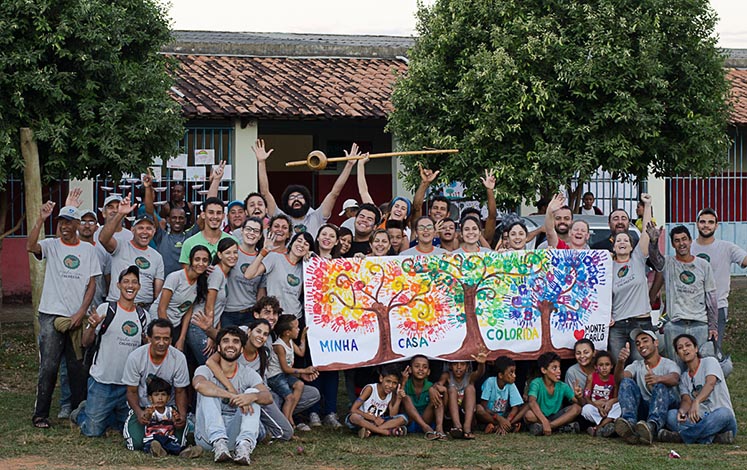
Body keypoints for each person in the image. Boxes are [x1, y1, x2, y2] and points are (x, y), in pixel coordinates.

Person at [27, 203, 101, 429]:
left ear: (78, 225)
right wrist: (41, 219)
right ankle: (40, 414)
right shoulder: (51, 245)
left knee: (77, 367)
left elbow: (91, 284)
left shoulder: (88, 250)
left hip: (76, 318)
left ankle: (78, 413)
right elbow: (30, 246)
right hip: (51, 314)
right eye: (61, 222)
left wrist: (81, 312)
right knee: (48, 366)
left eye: (70, 222)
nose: (65, 226)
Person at [73, 266, 147, 437]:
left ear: (139, 287)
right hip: (102, 382)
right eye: (126, 281)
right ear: (118, 285)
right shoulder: (106, 310)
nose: (130, 285)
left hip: (128, 386)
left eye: (134, 282)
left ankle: (107, 414)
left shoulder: (144, 316)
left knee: (125, 429)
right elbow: (85, 342)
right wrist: (92, 326)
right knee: (92, 432)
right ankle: (82, 411)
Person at [192, 327, 272, 465]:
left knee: (252, 393)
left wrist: (251, 397)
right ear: (218, 347)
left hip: (234, 436)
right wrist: (232, 395)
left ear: (241, 349)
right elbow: (199, 385)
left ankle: (244, 447)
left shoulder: (248, 373)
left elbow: (268, 397)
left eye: (235, 342)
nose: (230, 345)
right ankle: (219, 444)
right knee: (208, 390)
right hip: (208, 437)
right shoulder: (204, 370)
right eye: (225, 341)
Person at [255, 139, 357, 238]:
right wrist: (261, 162)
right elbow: (265, 193)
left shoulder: (317, 217)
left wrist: (349, 165)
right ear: (286, 202)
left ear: (307, 200)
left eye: (300, 197)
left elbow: (334, 193)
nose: (296, 199)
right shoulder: (280, 218)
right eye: (292, 198)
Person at [609, 195, 663, 362]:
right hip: (617, 326)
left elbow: (647, 231)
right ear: (613, 245)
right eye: (619, 241)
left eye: (626, 240)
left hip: (641, 322)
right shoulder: (607, 266)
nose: (622, 242)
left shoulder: (638, 258)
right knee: (619, 366)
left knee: (640, 365)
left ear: (632, 246)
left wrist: (647, 205)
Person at [122, 319, 190, 451]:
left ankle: (164, 444)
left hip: (169, 408)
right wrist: (139, 412)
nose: (161, 343)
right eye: (157, 338)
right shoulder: (136, 357)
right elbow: (131, 391)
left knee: (180, 443)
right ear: (149, 338)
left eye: (166, 339)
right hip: (144, 407)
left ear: (171, 339)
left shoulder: (179, 358)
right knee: (136, 444)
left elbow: (180, 391)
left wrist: (181, 415)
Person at [659, 334, 737, 445]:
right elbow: (686, 400)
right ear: (678, 354)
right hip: (699, 420)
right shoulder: (684, 377)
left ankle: (683, 437)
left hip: (720, 421)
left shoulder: (709, 361)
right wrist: (682, 411)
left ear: (695, 349)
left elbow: (710, 383)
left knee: (724, 414)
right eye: (680, 348)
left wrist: (697, 401)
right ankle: (713, 438)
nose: (685, 349)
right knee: (671, 415)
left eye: (688, 345)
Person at [661, 226, 718, 363]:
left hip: (699, 324)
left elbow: (711, 298)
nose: (681, 244)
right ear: (673, 244)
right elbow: (655, 259)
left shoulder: (703, 265)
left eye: (684, 239)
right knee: (676, 366)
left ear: (691, 240)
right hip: (675, 324)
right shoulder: (668, 263)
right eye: (677, 240)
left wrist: (713, 326)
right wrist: (653, 241)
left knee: (700, 366)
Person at [691, 208, 747, 347]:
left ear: (716, 225)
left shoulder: (727, 247)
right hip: (690, 307)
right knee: (690, 350)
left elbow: (745, 260)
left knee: (712, 351)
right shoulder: (688, 247)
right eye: (702, 221)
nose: (706, 225)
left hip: (717, 308)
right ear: (697, 224)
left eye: (711, 222)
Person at [614, 329, 680, 445]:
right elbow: (620, 380)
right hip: (644, 408)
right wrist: (620, 362)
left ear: (656, 343)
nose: (641, 345)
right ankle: (629, 424)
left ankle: (652, 426)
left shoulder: (668, 363)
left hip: (665, 408)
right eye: (638, 343)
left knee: (660, 386)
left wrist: (658, 378)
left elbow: (675, 378)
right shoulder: (636, 365)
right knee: (626, 382)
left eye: (645, 341)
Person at [99, 195, 164, 309]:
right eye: (140, 228)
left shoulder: (157, 257)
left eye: (149, 228)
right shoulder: (121, 246)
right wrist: (120, 214)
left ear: (153, 232)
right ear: (132, 230)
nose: (145, 232)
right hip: (116, 306)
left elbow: (157, 293)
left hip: (144, 309)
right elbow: (103, 239)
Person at [187, 238, 238, 365]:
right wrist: (210, 333)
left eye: (235, 252)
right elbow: (209, 306)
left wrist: (216, 333)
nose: (232, 256)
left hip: (209, 327)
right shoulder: (216, 273)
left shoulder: (225, 274)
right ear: (220, 255)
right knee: (210, 366)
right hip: (199, 326)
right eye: (228, 253)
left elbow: (218, 309)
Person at [150, 245, 210, 350]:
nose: (201, 263)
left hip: (176, 324)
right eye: (197, 259)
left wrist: (181, 338)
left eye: (205, 260)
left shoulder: (200, 283)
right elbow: (161, 309)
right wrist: (169, 336)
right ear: (190, 260)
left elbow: (187, 310)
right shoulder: (175, 277)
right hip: (159, 322)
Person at [244, 232, 313, 321]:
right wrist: (264, 251)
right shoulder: (275, 258)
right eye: (299, 241)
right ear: (291, 243)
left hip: (295, 318)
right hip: (274, 315)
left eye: (306, 244)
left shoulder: (306, 268)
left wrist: (313, 258)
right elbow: (248, 275)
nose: (301, 245)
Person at [142, 170, 200, 276]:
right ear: (168, 219)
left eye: (181, 218)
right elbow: (150, 211)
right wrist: (148, 187)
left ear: (186, 220)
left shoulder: (190, 236)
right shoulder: (161, 236)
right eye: (174, 218)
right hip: (164, 286)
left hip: (185, 287)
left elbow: (206, 213)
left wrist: (215, 180)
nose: (177, 221)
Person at [266, 315, 316, 431]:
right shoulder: (279, 346)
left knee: (300, 385)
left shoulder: (290, 341)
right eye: (296, 328)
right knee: (289, 397)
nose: (298, 329)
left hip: (284, 375)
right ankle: (286, 422)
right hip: (275, 376)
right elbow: (285, 368)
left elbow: (301, 353)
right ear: (287, 332)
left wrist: (303, 337)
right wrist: (304, 371)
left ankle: (289, 415)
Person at [221, 218, 266, 328]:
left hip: (249, 313)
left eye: (256, 231)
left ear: (260, 236)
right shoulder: (231, 252)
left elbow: (261, 291)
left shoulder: (262, 258)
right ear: (241, 231)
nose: (251, 233)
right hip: (228, 312)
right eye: (248, 229)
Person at [141, 377, 202, 458]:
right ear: (150, 398)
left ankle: (185, 452)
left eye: (163, 394)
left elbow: (175, 422)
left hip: (168, 438)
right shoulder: (150, 410)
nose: (160, 398)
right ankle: (157, 450)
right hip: (153, 438)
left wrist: (176, 418)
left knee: (175, 447)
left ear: (168, 398)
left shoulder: (170, 410)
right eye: (156, 395)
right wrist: (148, 414)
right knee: (151, 445)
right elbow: (146, 419)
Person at [524, 352, 581, 435]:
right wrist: (544, 420)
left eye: (559, 368)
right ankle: (560, 427)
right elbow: (532, 402)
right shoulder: (536, 383)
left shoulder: (562, 386)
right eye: (554, 368)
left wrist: (579, 396)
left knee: (577, 408)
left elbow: (579, 403)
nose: (559, 371)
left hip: (555, 417)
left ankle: (548, 427)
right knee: (529, 415)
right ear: (544, 370)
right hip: (539, 416)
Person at [346, 365, 409, 438]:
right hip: (363, 419)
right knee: (353, 417)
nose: (390, 385)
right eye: (388, 381)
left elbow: (392, 415)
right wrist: (373, 418)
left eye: (394, 383)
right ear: (381, 378)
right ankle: (386, 432)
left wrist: (398, 399)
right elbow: (353, 409)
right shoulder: (370, 389)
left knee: (403, 418)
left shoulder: (391, 393)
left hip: (379, 422)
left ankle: (370, 431)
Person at [399, 355, 448, 440]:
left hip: (426, 419)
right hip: (411, 421)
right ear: (410, 369)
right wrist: (403, 383)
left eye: (424, 367)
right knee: (406, 398)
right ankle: (425, 428)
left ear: (428, 372)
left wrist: (437, 390)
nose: (421, 369)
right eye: (417, 366)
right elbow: (398, 399)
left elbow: (445, 406)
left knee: (437, 397)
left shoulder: (430, 386)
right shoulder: (406, 384)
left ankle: (439, 428)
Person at [443, 347, 487, 440]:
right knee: (452, 389)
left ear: (467, 367)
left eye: (462, 364)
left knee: (470, 388)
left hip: (466, 413)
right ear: (450, 366)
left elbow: (479, 373)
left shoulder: (469, 377)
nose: (459, 367)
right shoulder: (447, 376)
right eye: (455, 364)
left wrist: (481, 364)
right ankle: (457, 426)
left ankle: (467, 428)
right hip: (450, 414)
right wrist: (438, 388)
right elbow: (438, 385)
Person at [476, 356, 524, 434]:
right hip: (491, 415)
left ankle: (503, 426)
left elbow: (515, 407)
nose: (514, 375)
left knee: (525, 406)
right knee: (479, 409)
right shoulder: (490, 382)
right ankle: (507, 426)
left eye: (514, 372)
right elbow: (484, 406)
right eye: (511, 373)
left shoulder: (511, 384)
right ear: (501, 375)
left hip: (504, 416)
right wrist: (498, 418)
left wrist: (506, 421)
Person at [179, 197, 235, 265]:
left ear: (223, 216)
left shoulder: (233, 241)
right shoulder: (189, 243)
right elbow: (186, 273)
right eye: (211, 212)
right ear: (203, 215)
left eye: (218, 213)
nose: (215, 216)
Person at [580, 351, 620, 437]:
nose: (604, 368)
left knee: (619, 406)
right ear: (596, 367)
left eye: (607, 364)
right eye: (601, 365)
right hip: (595, 408)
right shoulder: (591, 377)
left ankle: (597, 427)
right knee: (586, 409)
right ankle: (607, 425)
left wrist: (609, 403)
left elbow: (616, 398)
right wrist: (596, 406)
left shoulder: (614, 379)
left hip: (608, 409)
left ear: (612, 366)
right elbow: (586, 397)